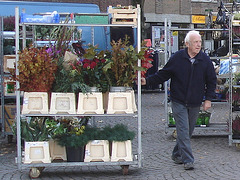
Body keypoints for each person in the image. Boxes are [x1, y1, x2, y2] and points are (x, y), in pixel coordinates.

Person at [141, 30, 216, 170]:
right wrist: (147, 81)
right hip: (178, 100)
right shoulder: (177, 58)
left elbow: (211, 81)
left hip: (195, 101)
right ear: (187, 44)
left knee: (188, 131)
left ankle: (176, 154)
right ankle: (188, 160)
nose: (198, 45)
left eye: (200, 42)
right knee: (182, 129)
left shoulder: (205, 60)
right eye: (195, 42)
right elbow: (164, 74)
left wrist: (208, 99)